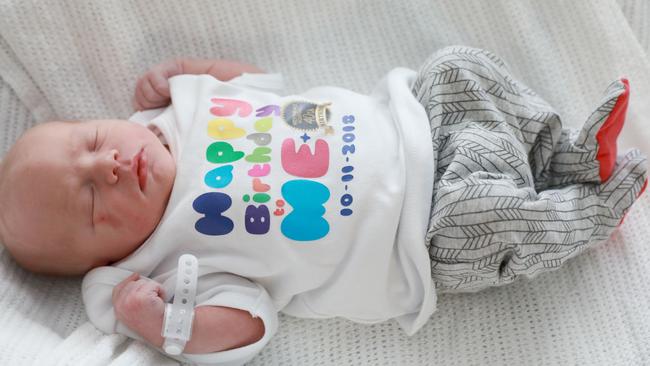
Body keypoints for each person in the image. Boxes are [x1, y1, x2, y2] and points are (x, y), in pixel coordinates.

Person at [0, 46, 645, 365]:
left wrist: (195, 70)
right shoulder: (174, 265)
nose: (106, 166)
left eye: (88, 142)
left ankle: (566, 155)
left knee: (459, 66)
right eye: (89, 199)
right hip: (422, 234)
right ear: (107, 256)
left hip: (417, 119)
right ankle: (591, 211)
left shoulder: (179, 109)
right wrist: (163, 326)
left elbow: (260, 84)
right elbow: (251, 325)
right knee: (490, 216)